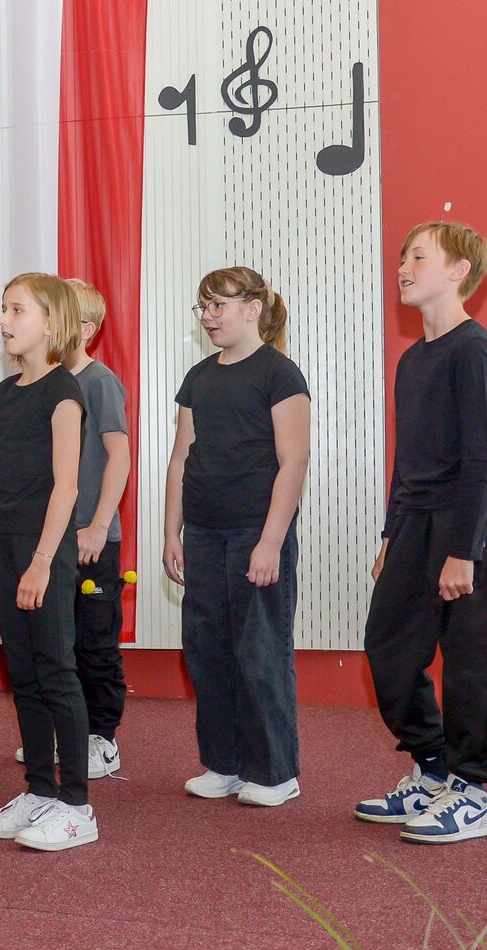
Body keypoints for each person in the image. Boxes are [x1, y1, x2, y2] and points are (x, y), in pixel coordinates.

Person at [357, 222, 487, 844]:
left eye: (419, 256)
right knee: (387, 646)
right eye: (402, 256)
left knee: (470, 654)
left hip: (468, 515)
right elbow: (407, 455)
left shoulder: (473, 349)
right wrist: (392, 531)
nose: (403, 266)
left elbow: (482, 460)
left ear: (458, 271)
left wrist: (462, 550)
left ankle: (471, 791)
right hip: (416, 517)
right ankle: (432, 767)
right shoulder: (414, 357)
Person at [164, 267, 310, 808]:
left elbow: (293, 461)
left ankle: (274, 772)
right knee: (206, 650)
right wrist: (172, 532)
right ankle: (224, 763)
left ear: (253, 309)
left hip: (255, 532)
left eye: (218, 305)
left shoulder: (279, 374)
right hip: (204, 533)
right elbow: (181, 457)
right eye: (202, 306)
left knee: (260, 653)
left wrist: (270, 542)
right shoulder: (198, 378)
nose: (208, 316)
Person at [0, 273, 96, 850]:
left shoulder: (63, 391)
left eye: (17, 310)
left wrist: (43, 561)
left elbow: (66, 487)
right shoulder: (1, 395)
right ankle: (40, 790)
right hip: (6, 546)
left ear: (51, 323)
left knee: (55, 670)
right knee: (22, 672)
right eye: (3, 309)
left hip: (46, 548)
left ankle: (77, 805)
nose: (4, 320)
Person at [63, 279, 132, 779]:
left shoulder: (99, 381)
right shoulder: (44, 384)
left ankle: (101, 737)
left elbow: (118, 456)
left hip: (91, 537)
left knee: (95, 643)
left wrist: (98, 525)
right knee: (58, 644)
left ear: (85, 329)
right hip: (51, 537)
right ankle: (68, 733)